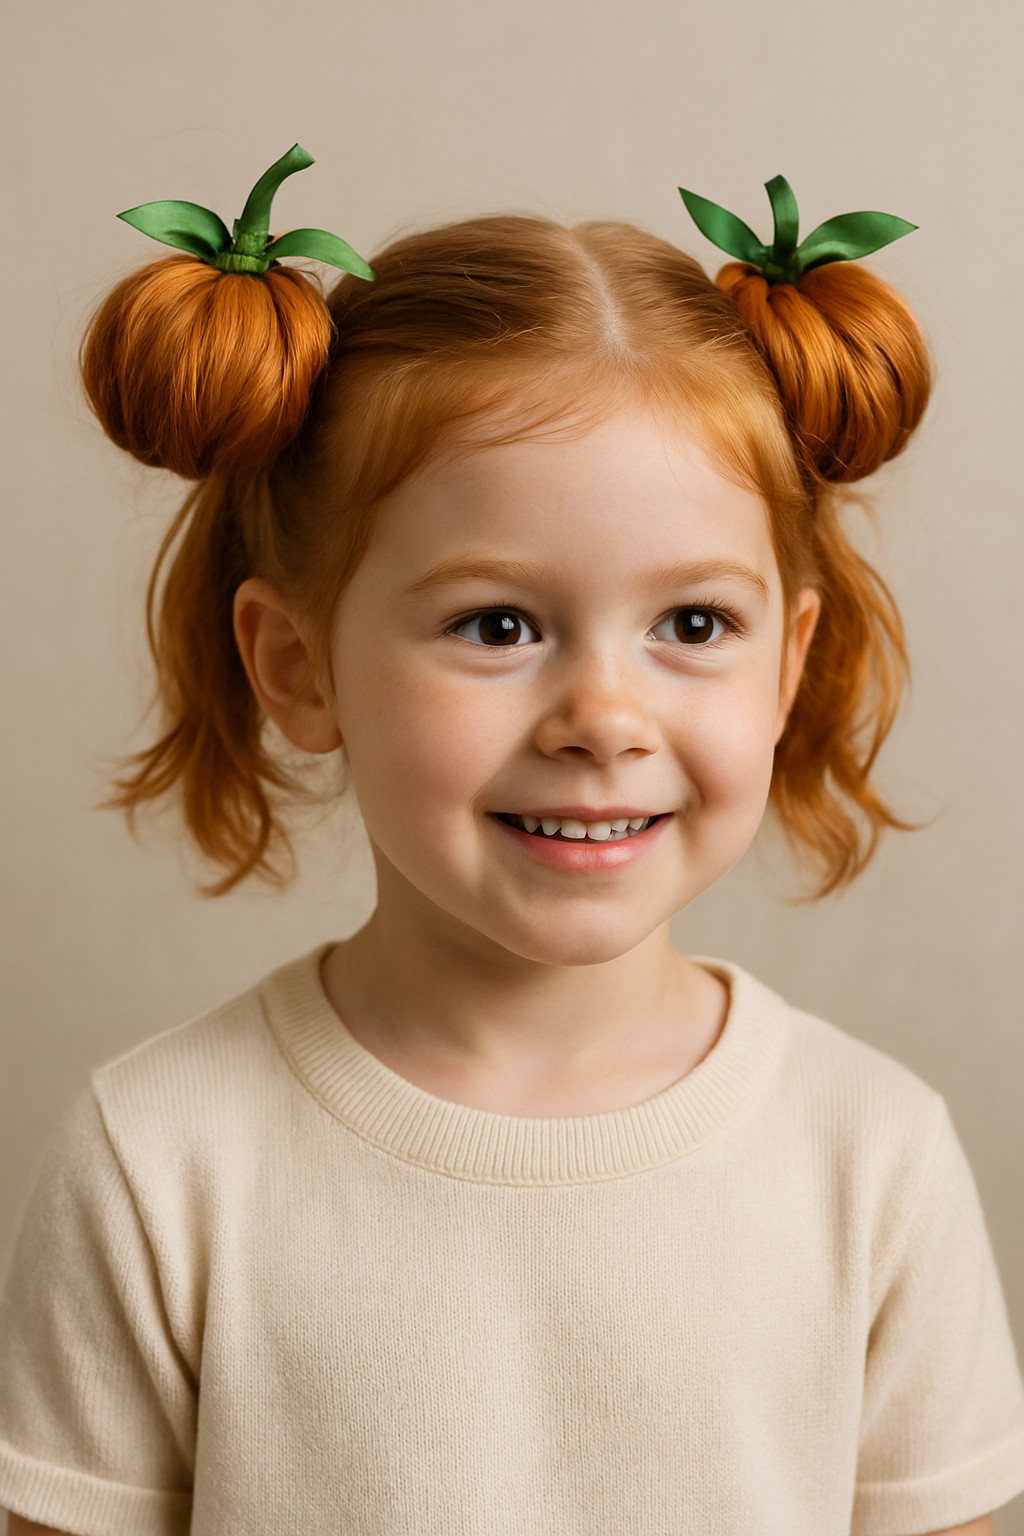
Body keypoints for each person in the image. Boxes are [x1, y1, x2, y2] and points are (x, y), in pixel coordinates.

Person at [0, 147, 1021, 1536]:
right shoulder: (158, 1161)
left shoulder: (873, 1157)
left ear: (787, 665)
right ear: (297, 666)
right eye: (497, 625)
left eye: (694, 625)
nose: (604, 719)